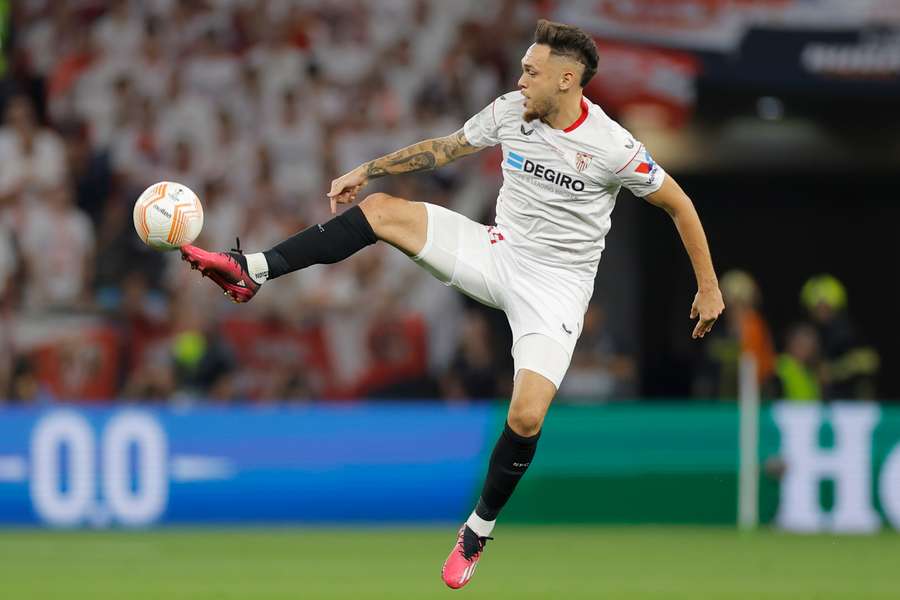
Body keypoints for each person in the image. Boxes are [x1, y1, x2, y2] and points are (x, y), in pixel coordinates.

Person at [180, 20, 724, 589]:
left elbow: (679, 204)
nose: (520, 79)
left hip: (558, 288)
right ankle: (253, 271)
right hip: (497, 251)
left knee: (527, 415)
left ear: (568, 80)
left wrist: (708, 286)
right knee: (383, 211)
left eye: (531, 72)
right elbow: (443, 150)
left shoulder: (613, 146)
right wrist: (366, 171)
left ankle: (477, 529)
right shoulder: (511, 111)